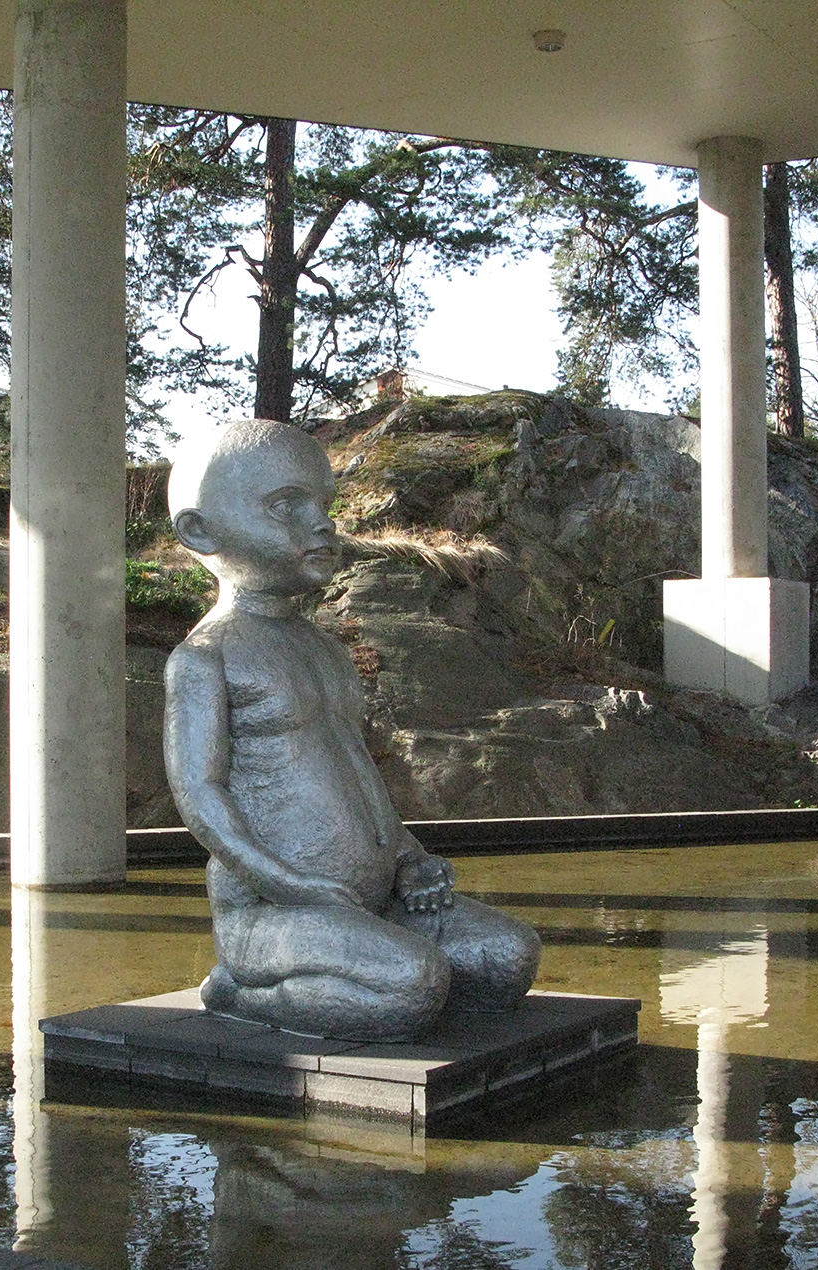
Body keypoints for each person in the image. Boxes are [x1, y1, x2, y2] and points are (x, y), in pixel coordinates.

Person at [163, 418, 540, 1041]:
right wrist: (289, 883)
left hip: (377, 892)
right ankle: (238, 989)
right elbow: (200, 795)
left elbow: (353, 770)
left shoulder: (325, 649)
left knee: (506, 959)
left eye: (324, 506)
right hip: (275, 910)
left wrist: (410, 858)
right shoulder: (206, 657)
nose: (321, 524)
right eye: (287, 506)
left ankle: (363, 954)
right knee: (412, 988)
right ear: (200, 530)